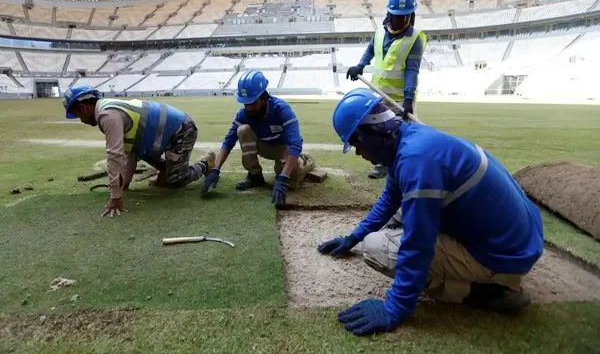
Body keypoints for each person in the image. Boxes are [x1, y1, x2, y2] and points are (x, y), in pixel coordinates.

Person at [318, 88, 544, 336]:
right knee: (398, 218)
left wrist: (395, 308)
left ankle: (485, 290)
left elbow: (419, 243)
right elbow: (389, 200)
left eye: (356, 143)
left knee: (376, 248)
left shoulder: (416, 161)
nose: (359, 153)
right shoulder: (409, 140)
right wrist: (353, 237)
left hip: (504, 255)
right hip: (517, 238)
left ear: (370, 134)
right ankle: (491, 273)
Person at [62, 83, 215, 218]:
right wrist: (124, 184)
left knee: (176, 180)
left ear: (83, 107)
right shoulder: (109, 108)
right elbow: (131, 152)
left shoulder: (107, 115)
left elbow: (115, 156)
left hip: (181, 130)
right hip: (160, 137)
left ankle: (205, 164)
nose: (81, 120)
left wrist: (116, 197)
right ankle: (166, 171)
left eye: (77, 115)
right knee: (149, 159)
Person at [201, 70, 314, 207]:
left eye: (252, 103)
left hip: (285, 148)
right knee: (242, 130)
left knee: (290, 179)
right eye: (245, 104)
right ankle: (255, 176)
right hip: (264, 146)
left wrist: (284, 177)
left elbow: (295, 143)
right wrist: (216, 169)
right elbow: (228, 141)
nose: (248, 108)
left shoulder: (282, 110)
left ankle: (304, 162)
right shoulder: (243, 114)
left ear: (264, 98)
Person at [346, 0, 427, 179]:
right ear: (390, 14)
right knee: (377, 132)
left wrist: (408, 99)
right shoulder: (381, 32)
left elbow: (412, 71)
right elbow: (370, 50)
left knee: (401, 135)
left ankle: (403, 168)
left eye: (407, 15)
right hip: (378, 94)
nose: (403, 19)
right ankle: (381, 165)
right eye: (399, 15)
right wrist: (361, 65)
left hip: (399, 98)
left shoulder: (415, 39)